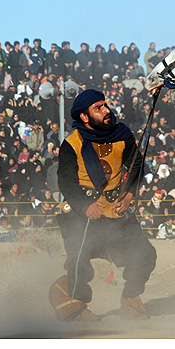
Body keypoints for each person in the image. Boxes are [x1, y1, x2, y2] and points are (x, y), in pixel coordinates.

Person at [51, 89, 156, 322]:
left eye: (105, 105)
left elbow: (138, 165)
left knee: (146, 255)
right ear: (85, 117)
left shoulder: (122, 135)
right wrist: (85, 205)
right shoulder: (71, 144)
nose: (106, 110)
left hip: (116, 214)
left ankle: (130, 300)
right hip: (81, 215)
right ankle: (74, 306)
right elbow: (65, 182)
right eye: (98, 108)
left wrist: (129, 194)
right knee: (79, 262)